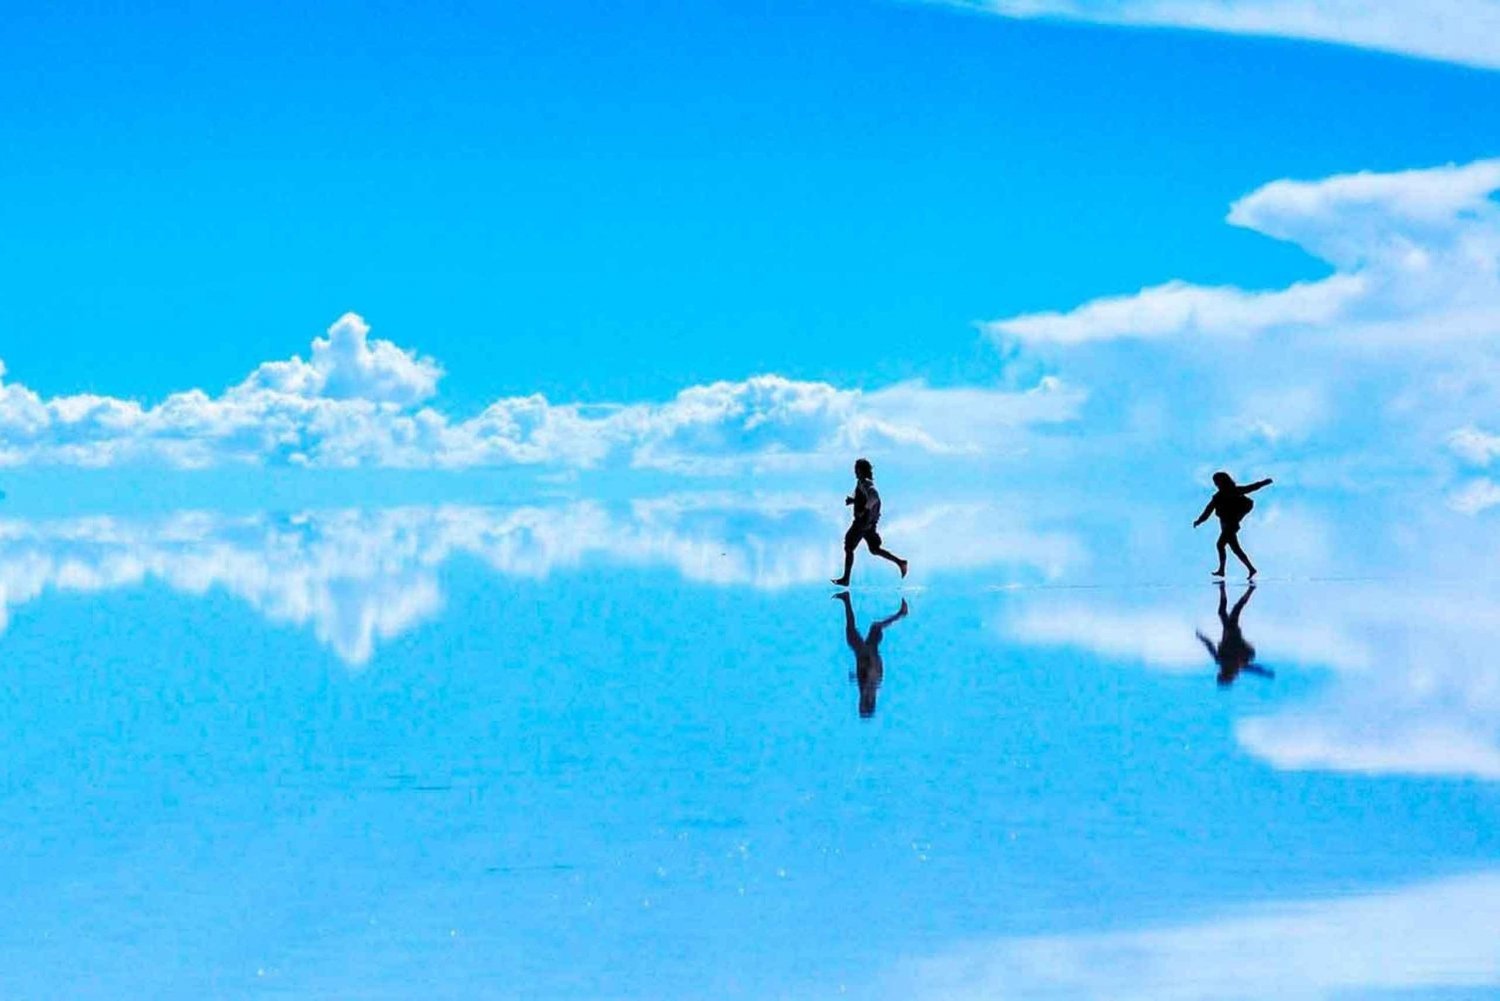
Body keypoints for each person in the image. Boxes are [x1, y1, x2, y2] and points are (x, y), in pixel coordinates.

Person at [831, 458, 907, 586]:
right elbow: (863, 497)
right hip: (868, 524)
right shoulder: (861, 483)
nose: (855, 472)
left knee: (849, 546)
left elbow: (874, 497)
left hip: (862, 523)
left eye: (856, 469)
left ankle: (846, 579)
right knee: (874, 549)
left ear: (860, 470)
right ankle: (900, 562)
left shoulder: (866, 483)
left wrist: (864, 511)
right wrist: (853, 501)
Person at [834, 591, 908, 717]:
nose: (860, 704)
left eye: (860, 706)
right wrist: (869, 660)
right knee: (870, 628)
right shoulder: (869, 691)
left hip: (865, 654)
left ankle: (846, 599)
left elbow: (871, 676)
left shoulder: (866, 691)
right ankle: (901, 614)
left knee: (865, 629)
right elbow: (874, 674)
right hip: (867, 654)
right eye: (862, 706)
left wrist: (856, 676)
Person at [1193, 471, 1273, 579]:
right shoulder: (1218, 496)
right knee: (1235, 548)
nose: (1216, 484)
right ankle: (1250, 569)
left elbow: (1251, 488)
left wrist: (1264, 482)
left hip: (1231, 524)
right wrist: (1199, 520)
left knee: (1220, 544)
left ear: (1223, 482)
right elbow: (1208, 510)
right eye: (1215, 482)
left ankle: (1223, 570)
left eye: (1217, 482)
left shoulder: (1233, 491)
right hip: (1225, 524)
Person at [1196, 582, 1273, 686]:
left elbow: (1210, 646)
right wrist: (1265, 673)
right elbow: (1253, 669)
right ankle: (1250, 589)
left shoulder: (1227, 663)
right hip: (1234, 637)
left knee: (1223, 612)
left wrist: (1202, 638)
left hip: (1230, 636)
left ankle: (1223, 588)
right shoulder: (1234, 665)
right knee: (1234, 610)